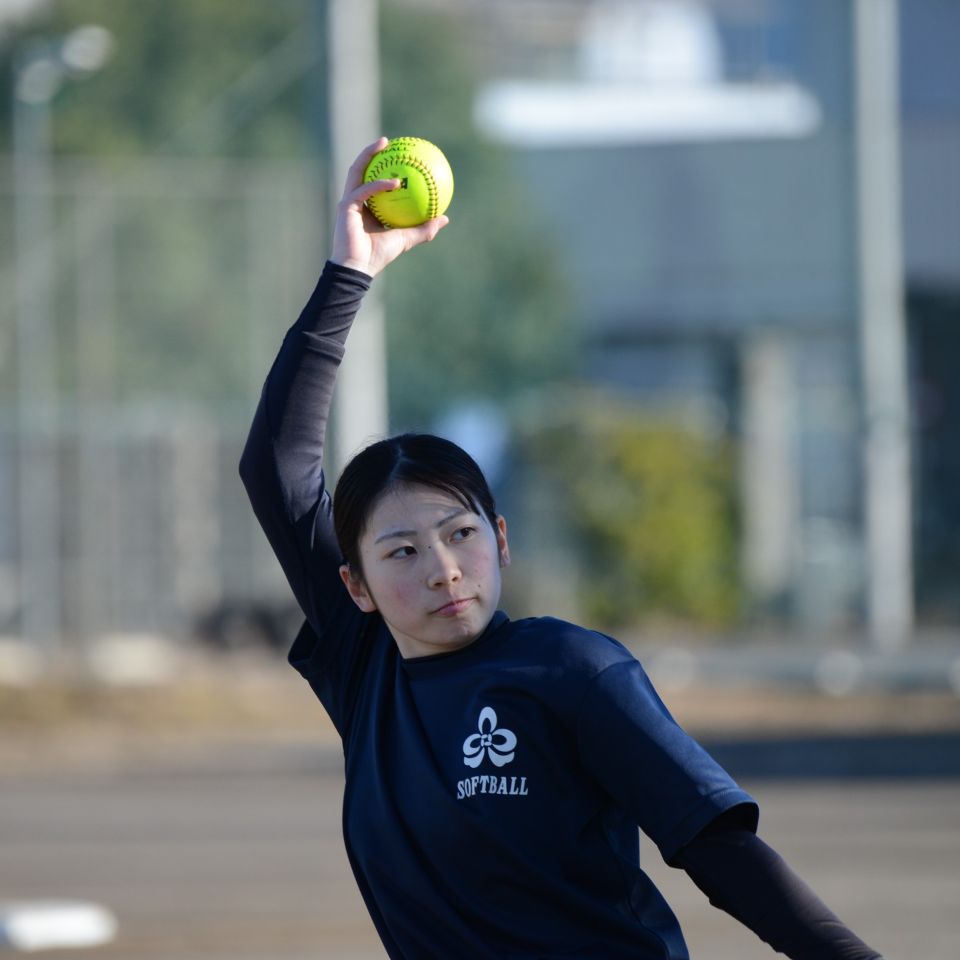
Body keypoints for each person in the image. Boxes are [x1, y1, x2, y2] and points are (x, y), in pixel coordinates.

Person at [240, 137, 882, 960]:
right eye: (400, 552)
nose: (442, 568)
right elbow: (276, 464)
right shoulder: (366, 670)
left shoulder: (572, 670)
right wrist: (350, 271)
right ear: (355, 585)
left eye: (462, 535)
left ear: (500, 540)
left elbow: (721, 854)